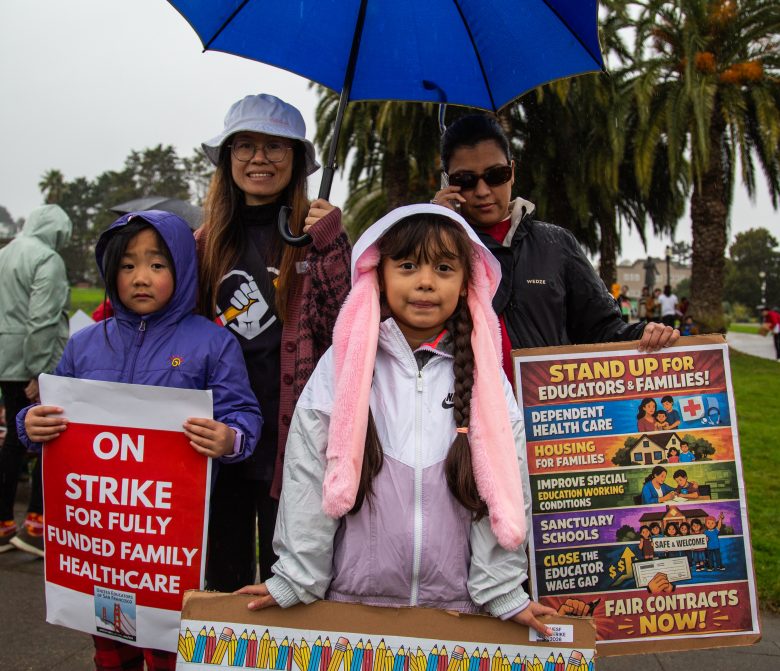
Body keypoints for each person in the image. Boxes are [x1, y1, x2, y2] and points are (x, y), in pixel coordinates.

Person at [236, 204, 557, 636]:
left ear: (467, 282)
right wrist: (295, 576)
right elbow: (307, 473)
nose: (425, 282)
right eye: (407, 265)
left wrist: (501, 589)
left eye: (444, 268)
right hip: (352, 610)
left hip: (458, 616)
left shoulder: (484, 376)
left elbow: (504, 482)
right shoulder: (344, 365)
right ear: (379, 274)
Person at [18, 210, 262, 671]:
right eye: (127, 265)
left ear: (183, 270)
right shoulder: (85, 344)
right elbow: (49, 414)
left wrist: (230, 438)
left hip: (170, 544)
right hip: (101, 547)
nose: (140, 277)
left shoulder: (213, 343)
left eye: (157, 264)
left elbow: (244, 414)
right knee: (111, 646)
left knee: (170, 646)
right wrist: (29, 424)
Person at [197, 93, 351, 591]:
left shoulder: (317, 236)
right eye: (244, 145)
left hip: (293, 441)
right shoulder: (202, 244)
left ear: (298, 162)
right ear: (227, 159)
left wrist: (330, 244)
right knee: (220, 578)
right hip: (217, 438)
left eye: (274, 147)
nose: (258, 158)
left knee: (289, 584)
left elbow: (346, 326)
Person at [430, 114, 678, 381]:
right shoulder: (433, 247)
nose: (482, 191)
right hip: (460, 414)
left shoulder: (556, 244)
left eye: (495, 175)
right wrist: (432, 232)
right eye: (465, 180)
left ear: (512, 172)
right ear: (447, 183)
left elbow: (601, 329)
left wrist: (646, 334)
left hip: (547, 413)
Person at [0, 204, 72, 556]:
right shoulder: (47, 259)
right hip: (31, 361)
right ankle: (37, 523)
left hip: (4, 357)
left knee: (14, 439)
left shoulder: (6, 252)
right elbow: (42, 318)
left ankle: (3, 522)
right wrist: (38, 369)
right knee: (47, 436)